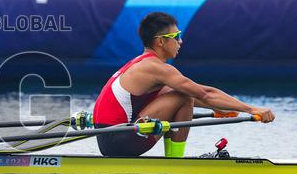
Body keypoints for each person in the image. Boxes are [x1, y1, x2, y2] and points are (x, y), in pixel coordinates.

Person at [92, 12, 275, 158]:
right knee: (184, 96)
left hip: (111, 138)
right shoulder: (156, 68)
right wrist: (251, 109)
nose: (181, 41)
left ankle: (174, 161)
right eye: (176, 36)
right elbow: (203, 93)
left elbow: (194, 96)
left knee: (180, 94)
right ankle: (175, 163)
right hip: (119, 140)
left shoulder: (142, 64)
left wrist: (220, 108)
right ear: (161, 41)